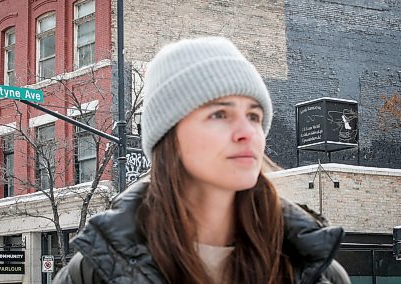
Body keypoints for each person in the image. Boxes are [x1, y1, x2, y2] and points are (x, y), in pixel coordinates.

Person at [53, 37, 350, 283]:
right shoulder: (94, 272)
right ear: (169, 137)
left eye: (254, 116)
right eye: (219, 114)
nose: (248, 133)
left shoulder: (316, 270)